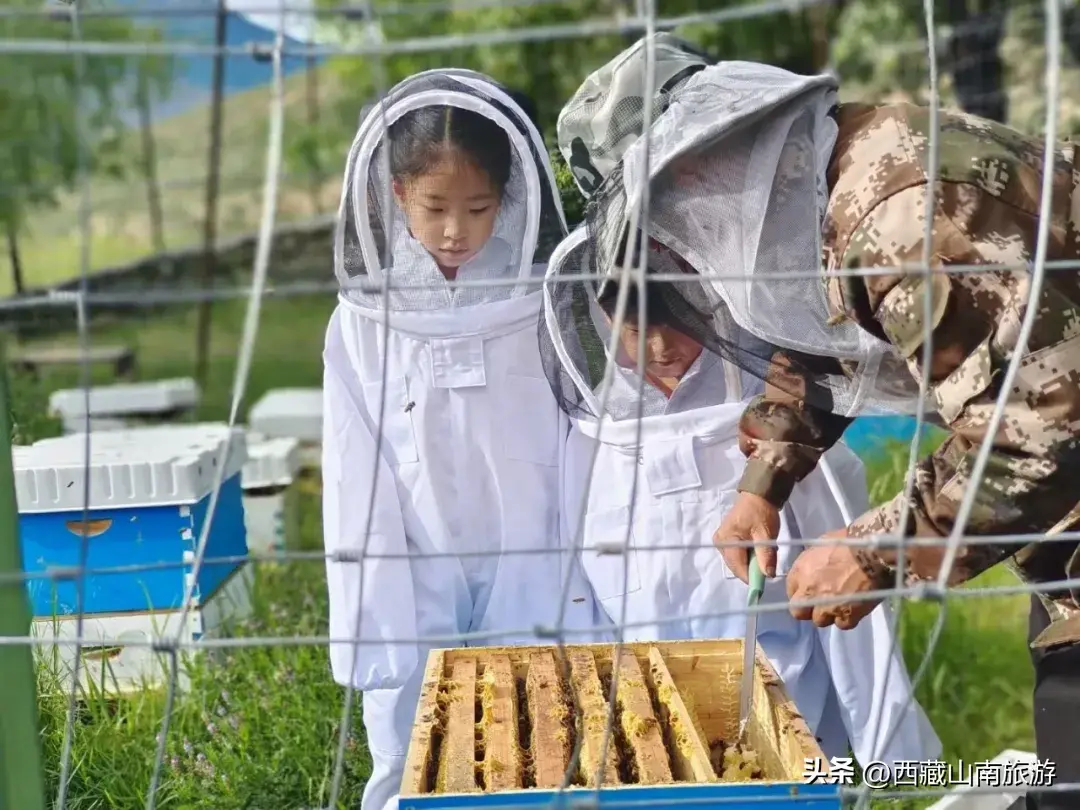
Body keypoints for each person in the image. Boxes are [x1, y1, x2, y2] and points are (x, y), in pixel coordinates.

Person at [559, 35, 1080, 809]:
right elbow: (834, 344)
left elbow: (1039, 430)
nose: (683, 247)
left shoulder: (901, 220)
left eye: (671, 220)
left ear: (696, 172)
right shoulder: (835, 190)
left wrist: (871, 553)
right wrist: (764, 482)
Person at [540, 224, 940, 769]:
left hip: (783, 700)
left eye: (678, 323)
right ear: (605, 321)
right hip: (639, 713)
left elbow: (853, 615)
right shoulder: (593, 438)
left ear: (709, 303)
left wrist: (887, 750)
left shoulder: (777, 424)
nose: (661, 348)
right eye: (636, 330)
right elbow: (578, 592)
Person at [322, 71, 602, 810]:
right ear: (393, 198)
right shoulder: (361, 320)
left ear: (510, 198)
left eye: (478, 208)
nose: (455, 231)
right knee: (412, 735)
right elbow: (352, 466)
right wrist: (368, 601)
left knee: (543, 718)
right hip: (416, 552)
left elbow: (584, 422)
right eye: (435, 208)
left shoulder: (542, 297)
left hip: (532, 538)